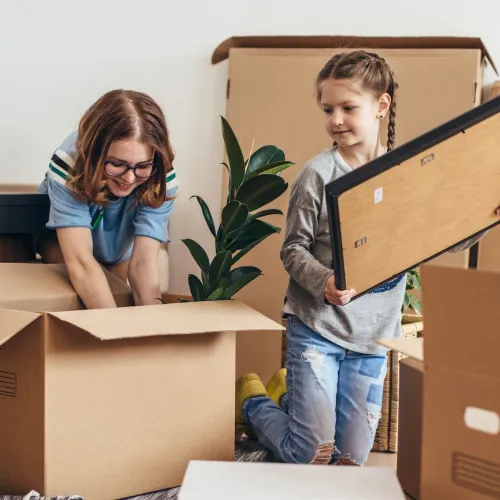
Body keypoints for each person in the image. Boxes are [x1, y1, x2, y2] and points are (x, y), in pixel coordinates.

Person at [234, 50, 498, 466]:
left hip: (372, 338)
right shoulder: (317, 175)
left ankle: (290, 395)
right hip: (317, 329)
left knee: (349, 461)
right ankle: (254, 402)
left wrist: (487, 218)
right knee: (311, 455)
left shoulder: (404, 174)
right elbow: (292, 248)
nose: (336, 119)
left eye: (348, 107)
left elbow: (441, 241)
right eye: (328, 109)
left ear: (381, 105)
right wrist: (324, 282)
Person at [37, 89, 178, 309]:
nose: (129, 178)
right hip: (64, 243)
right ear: (94, 153)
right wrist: (115, 333)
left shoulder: (159, 173)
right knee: (80, 288)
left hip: (118, 246)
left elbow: (143, 264)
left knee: (119, 291)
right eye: (117, 164)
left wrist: (155, 331)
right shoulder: (69, 164)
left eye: (141, 166)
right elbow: (82, 264)